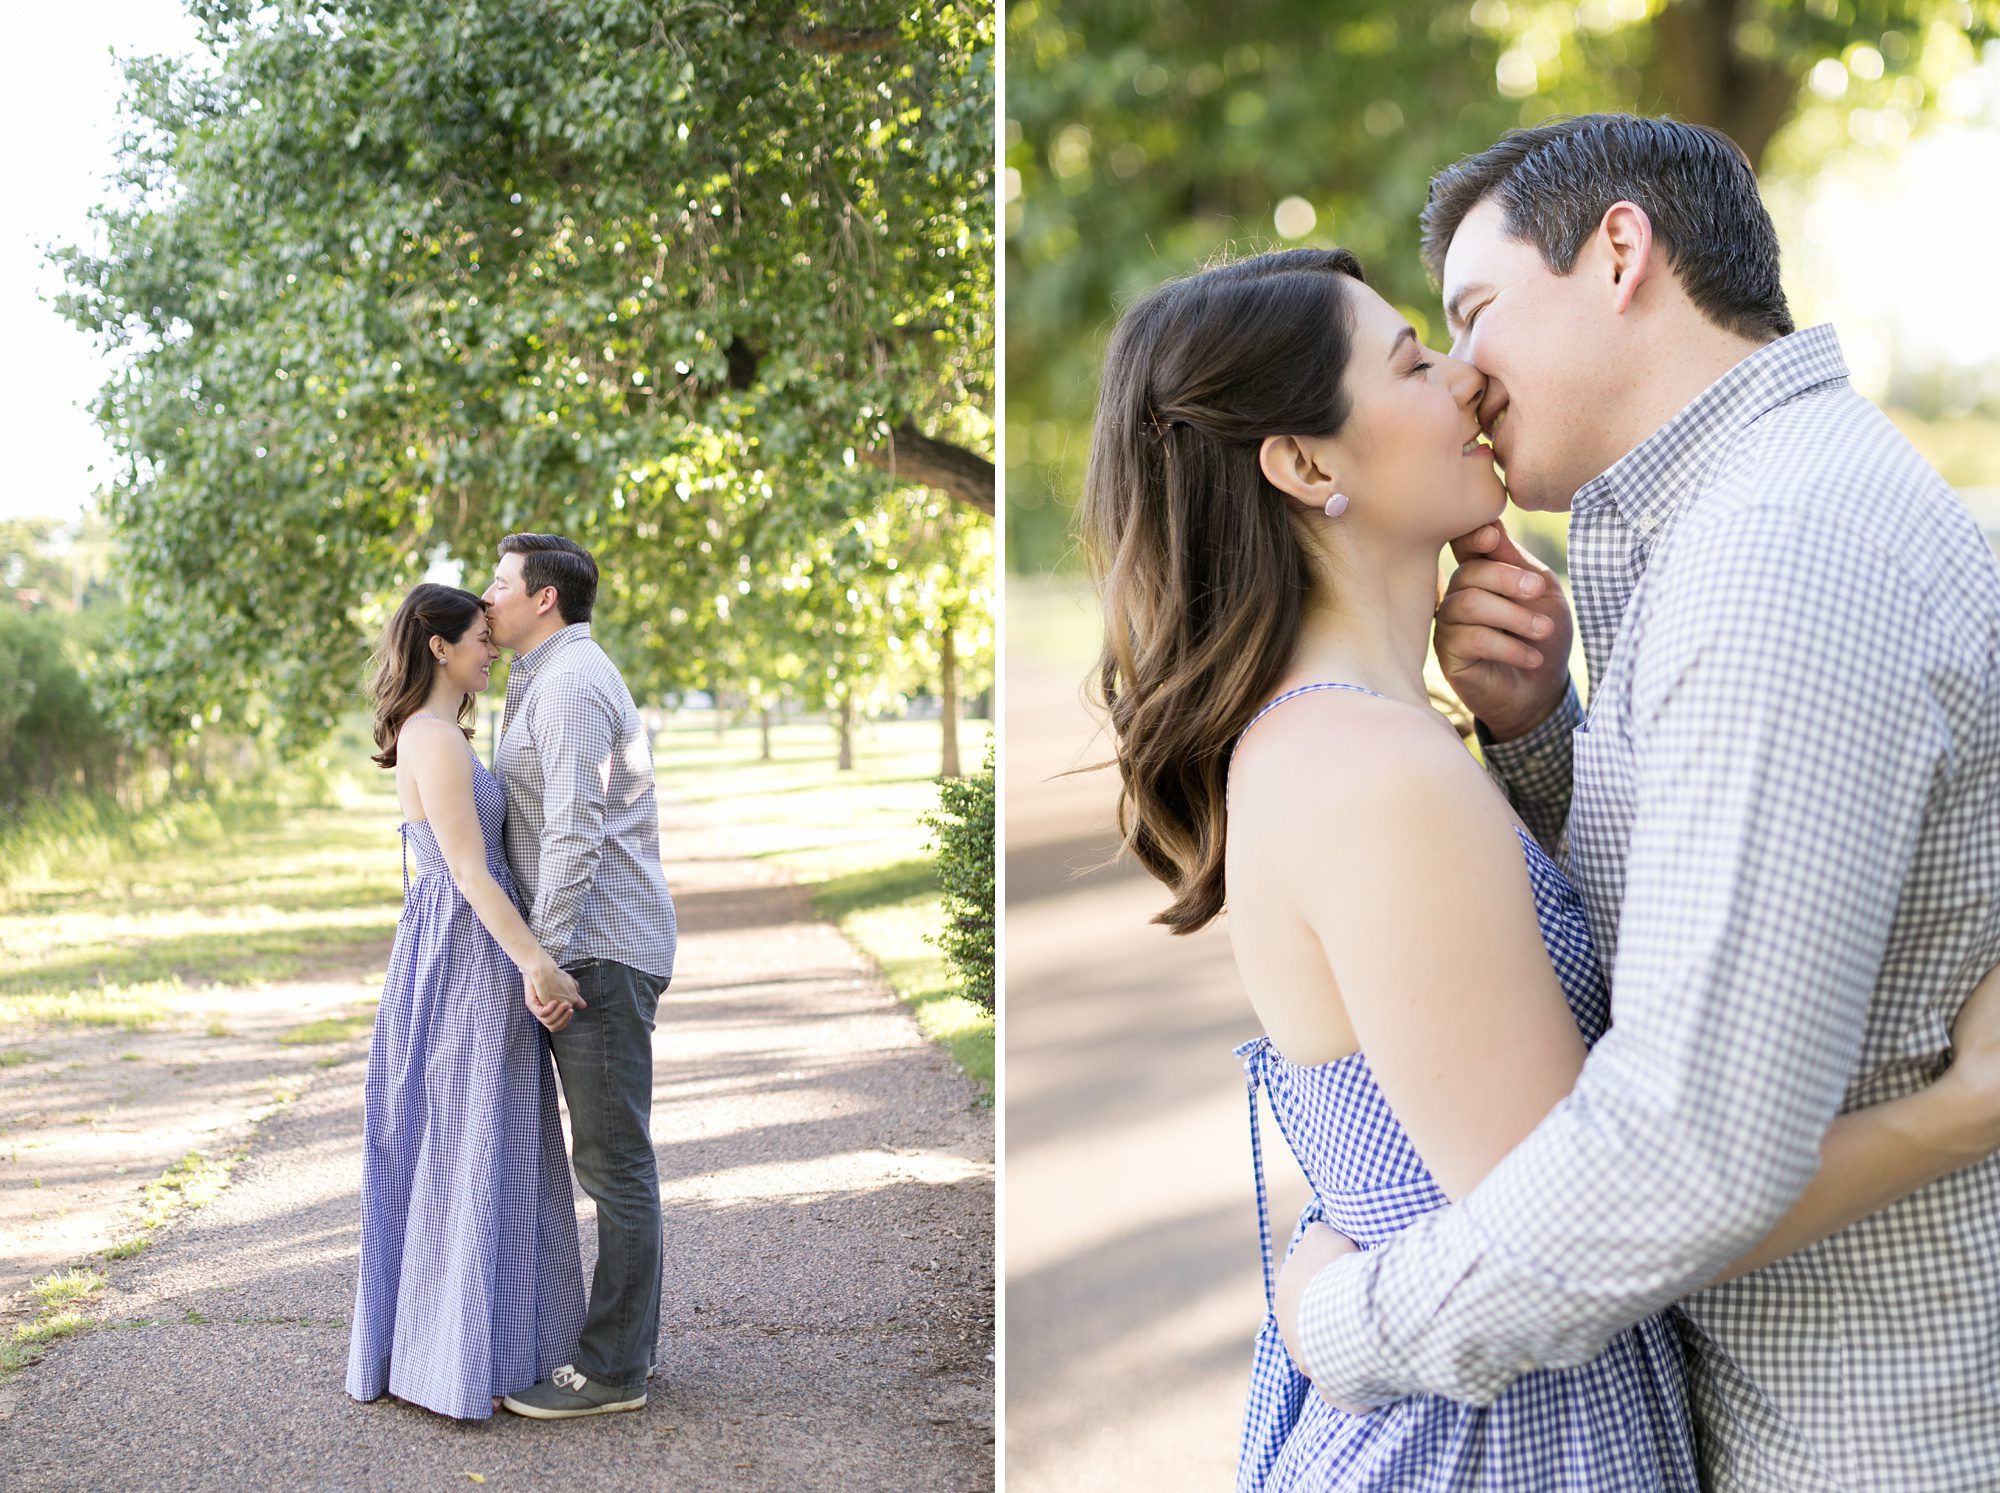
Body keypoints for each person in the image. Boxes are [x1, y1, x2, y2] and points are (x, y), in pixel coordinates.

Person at [1079, 239, 2000, 1491]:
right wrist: (1956, 1113)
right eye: (1413, 359)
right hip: (1497, 1441)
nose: (1464, 380)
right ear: (1303, 464)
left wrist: (1530, 730)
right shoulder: (1371, 772)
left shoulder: (1357, 739)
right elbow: (1604, 1214)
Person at [346, 584, 587, 1421]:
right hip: (467, 955)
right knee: (474, 1144)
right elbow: (469, 873)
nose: (494, 650)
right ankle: (461, 1355)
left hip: (460, 948)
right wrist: (539, 966)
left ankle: (489, 1342)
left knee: (486, 1143)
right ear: (440, 647)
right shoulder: (436, 739)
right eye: (481, 639)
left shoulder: (440, 733)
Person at [480, 533, 680, 1421]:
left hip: (593, 953)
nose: (488, 595)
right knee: (610, 1158)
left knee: (615, 1164)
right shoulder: (546, 675)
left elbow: (574, 832)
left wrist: (545, 960)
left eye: (500, 581)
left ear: (546, 597)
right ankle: (616, 1351)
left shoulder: (567, 685)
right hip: (586, 948)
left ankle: (612, 1373)